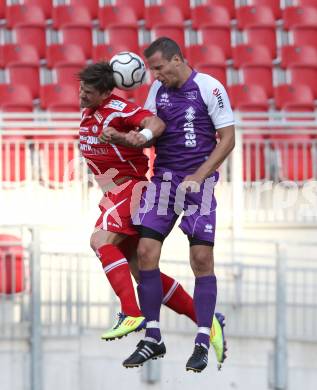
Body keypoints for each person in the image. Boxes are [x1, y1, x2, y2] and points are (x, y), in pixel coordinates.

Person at [78, 61, 227, 368]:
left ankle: (132, 312)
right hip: (111, 192)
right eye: (81, 89)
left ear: (105, 92)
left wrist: (137, 136)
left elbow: (154, 123)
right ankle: (208, 320)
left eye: (88, 91)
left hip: (129, 189)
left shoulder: (119, 109)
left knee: (99, 240)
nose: (81, 95)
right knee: (141, 270)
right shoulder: (90, 111)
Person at [123, 37, 235, 373]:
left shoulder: (209, 87)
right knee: (144, 252)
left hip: (198, 183)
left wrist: (199, 176)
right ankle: (153, 336)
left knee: (201, 257)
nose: (155, 76)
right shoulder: (157, 92)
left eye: (158, 68)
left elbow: (228, 138)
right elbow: (154, 129)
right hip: (164, 182)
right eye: (151, 70)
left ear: (176, 59)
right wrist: (137, 137)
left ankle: (203, 338)